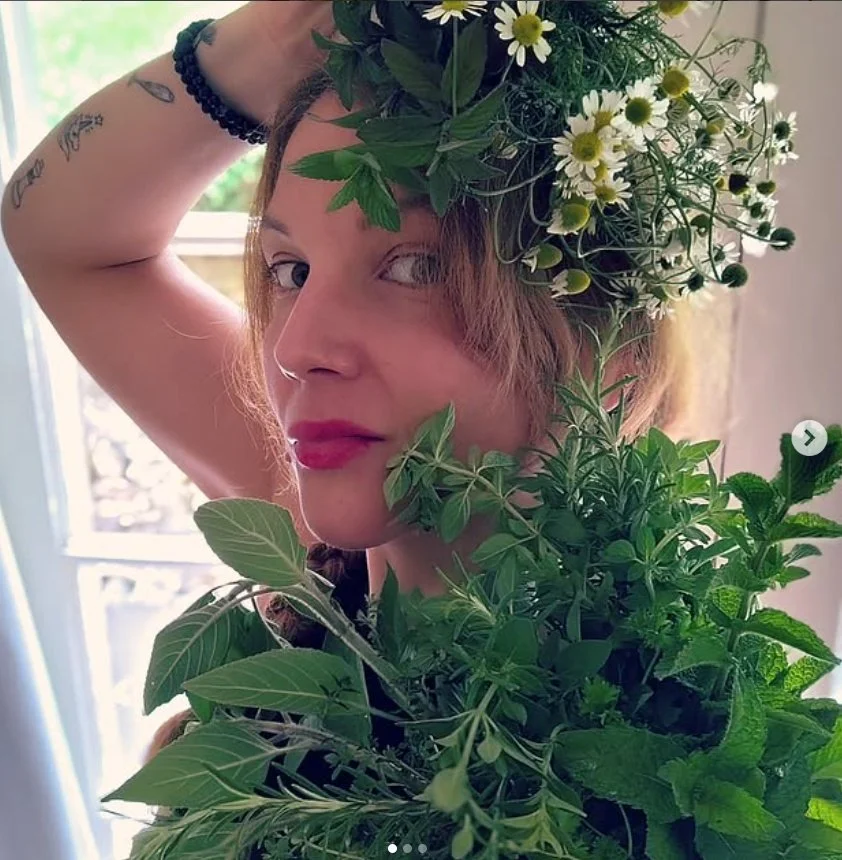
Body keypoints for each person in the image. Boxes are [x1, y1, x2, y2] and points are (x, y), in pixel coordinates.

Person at [0, 0, 695, 842]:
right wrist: (273, 39)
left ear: (609, 341)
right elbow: (54, 231)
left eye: (414, 266)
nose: (297, 346)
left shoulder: (686, 744)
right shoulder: (313, 546)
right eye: (289, 268)